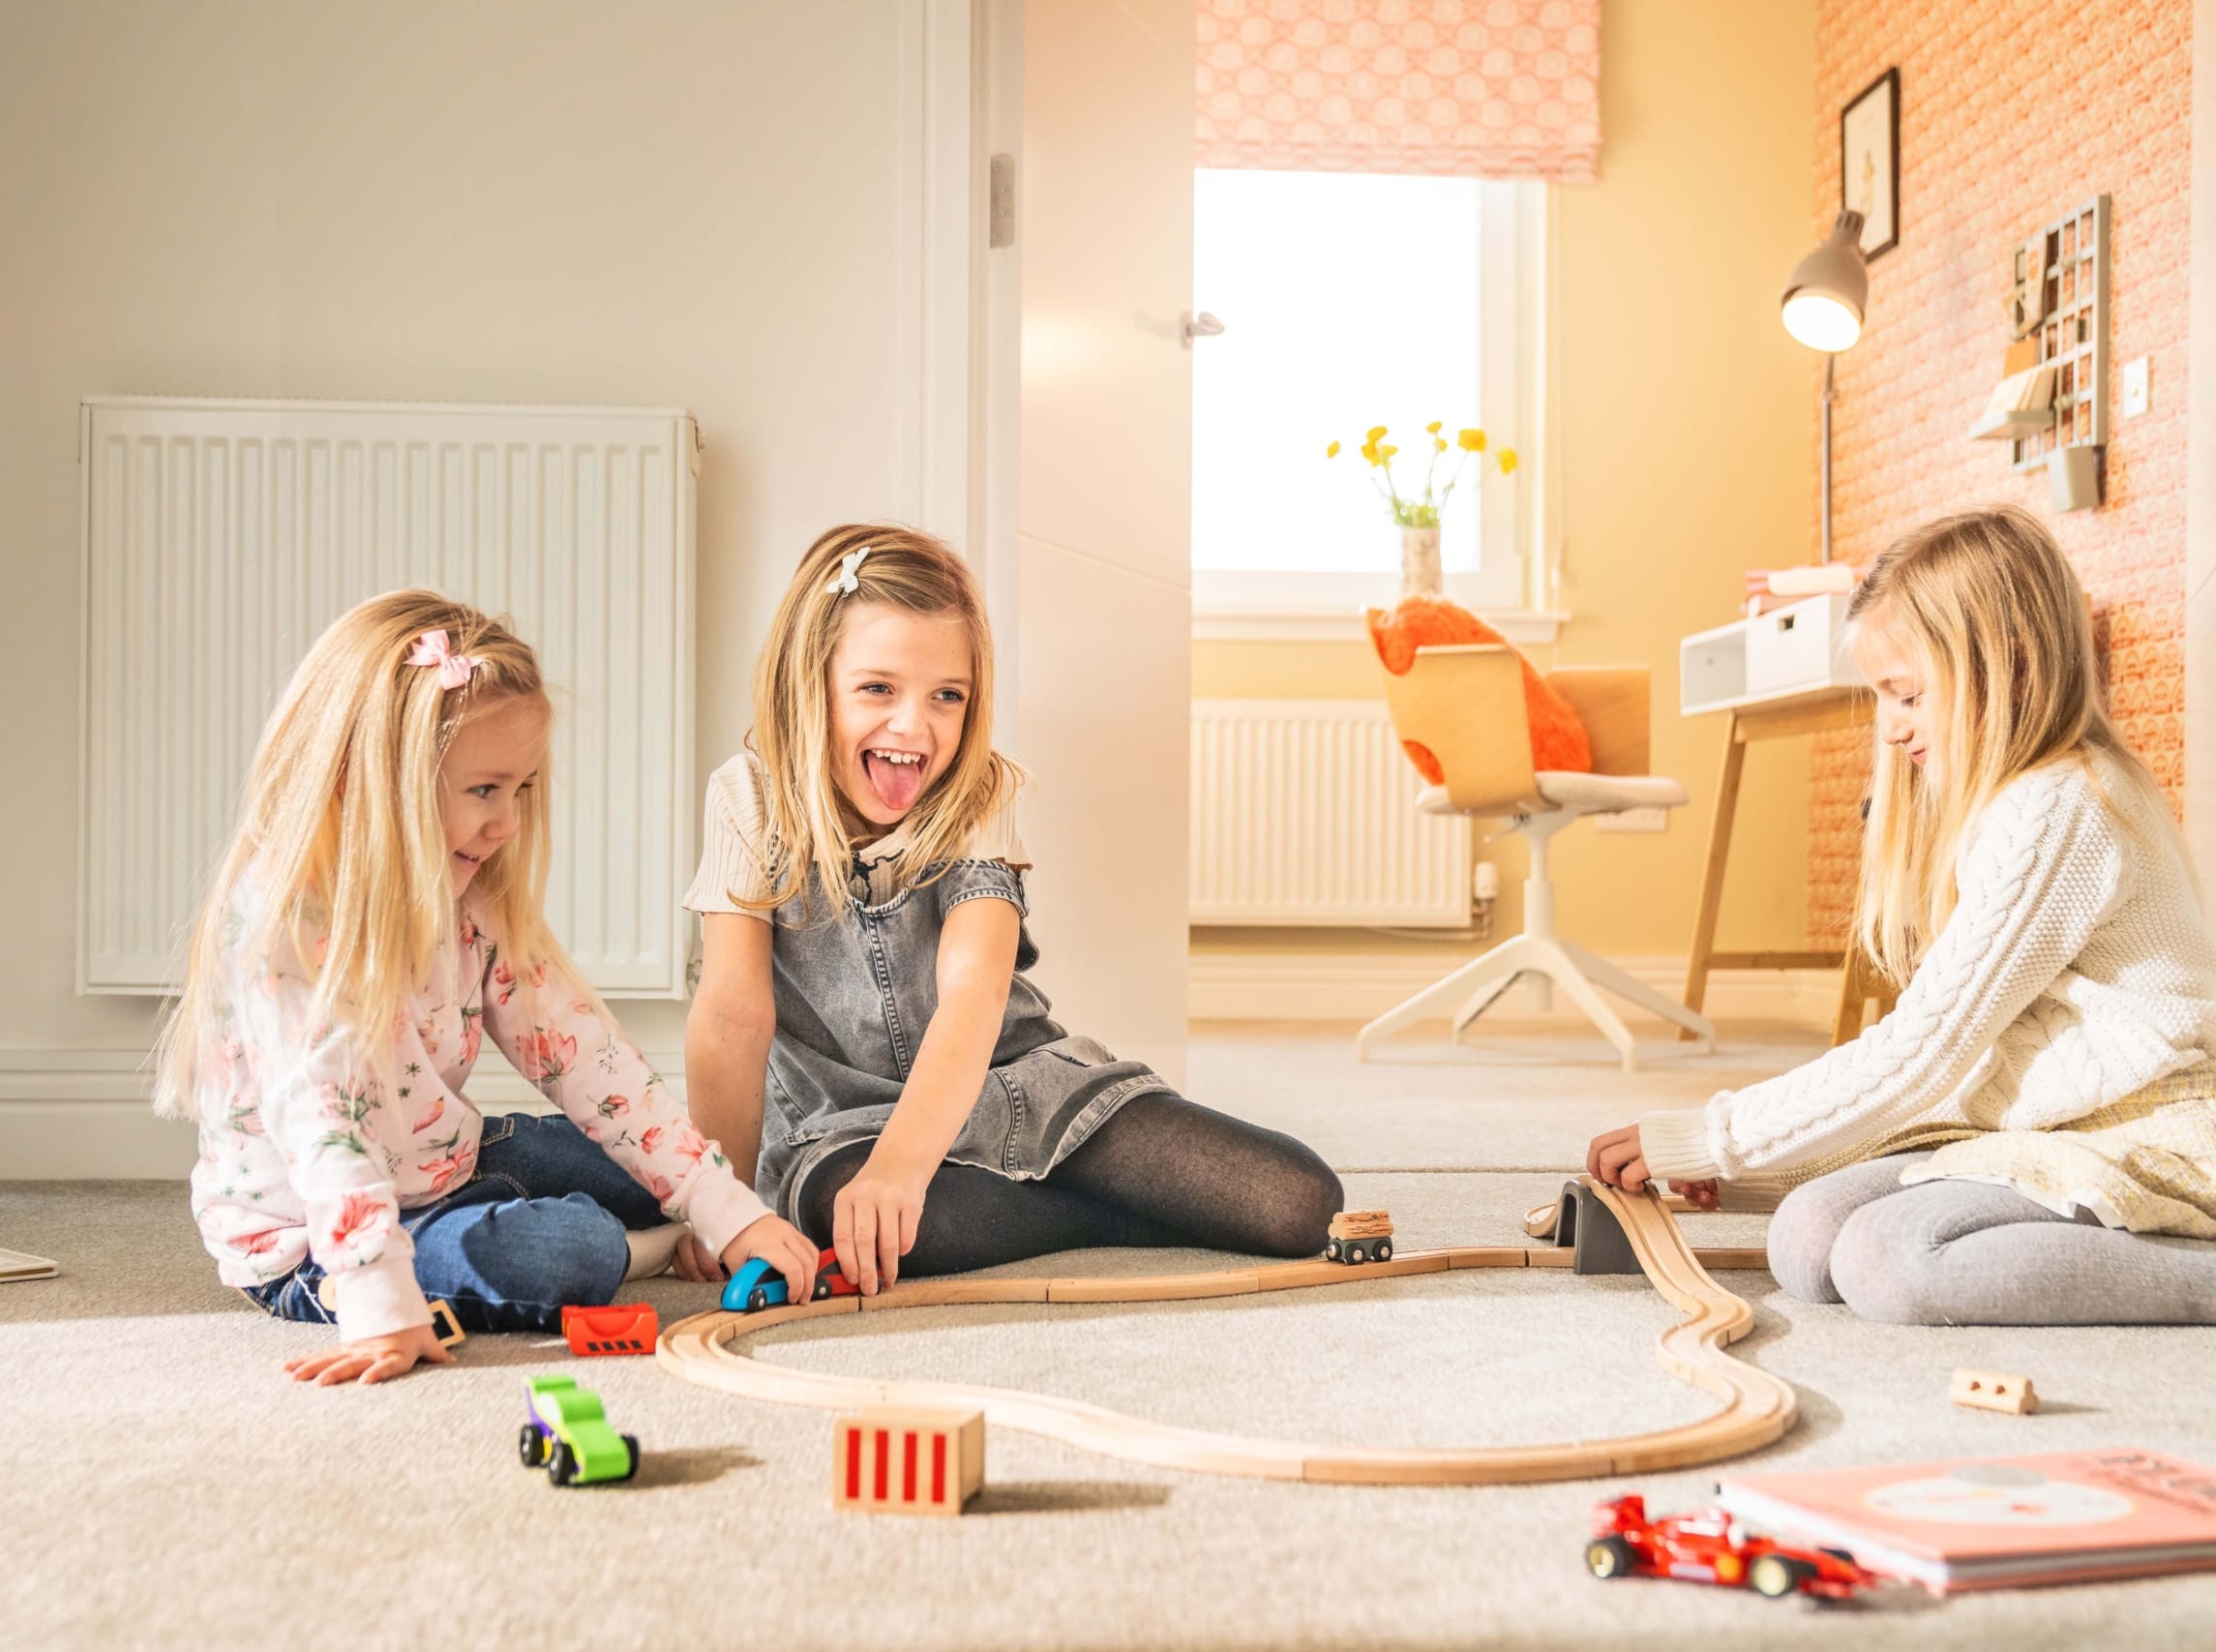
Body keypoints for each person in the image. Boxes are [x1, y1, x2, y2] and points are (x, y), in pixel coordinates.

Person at [1586, 505, 2216, 1325]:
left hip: (2167, 1137)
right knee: (1806, 1234)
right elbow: (1974, 1070)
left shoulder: (2066, 805)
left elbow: (1923, 1049)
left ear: (2010, 668)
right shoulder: (2009, 807)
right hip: (2050, 1125)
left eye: (1908, 696)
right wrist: (1757, 1165)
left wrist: (1716, 1134)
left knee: (1891, 1261)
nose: (1889, 730)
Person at [160, 592, 816, 1385]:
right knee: (574, 1251)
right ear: (369, 779)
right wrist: (376, 1300)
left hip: (444, 1163)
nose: (507, 821)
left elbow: (592, 1064)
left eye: (523, 790)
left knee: (642, 1166)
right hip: (308, 1236)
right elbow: (323, 1131)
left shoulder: (470, 899)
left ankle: (648, 1225)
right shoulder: (287, 921)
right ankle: (638, 1251)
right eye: (484, 790)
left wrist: (724, 1208)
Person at [680, 526, 1341, 1295]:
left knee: (1299, 1203)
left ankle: (1087, 1210)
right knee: (886, 1227)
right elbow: (732, 1016)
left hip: (1016, 1088)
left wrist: (906, 1165)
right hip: (843, 1125)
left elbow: (976, 990)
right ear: (811, 681)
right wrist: (720, 1201)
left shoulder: (978, 793)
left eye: (946, 697)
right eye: (876, 688)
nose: (913, 727)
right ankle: (1111, 1218)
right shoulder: (747, 801)